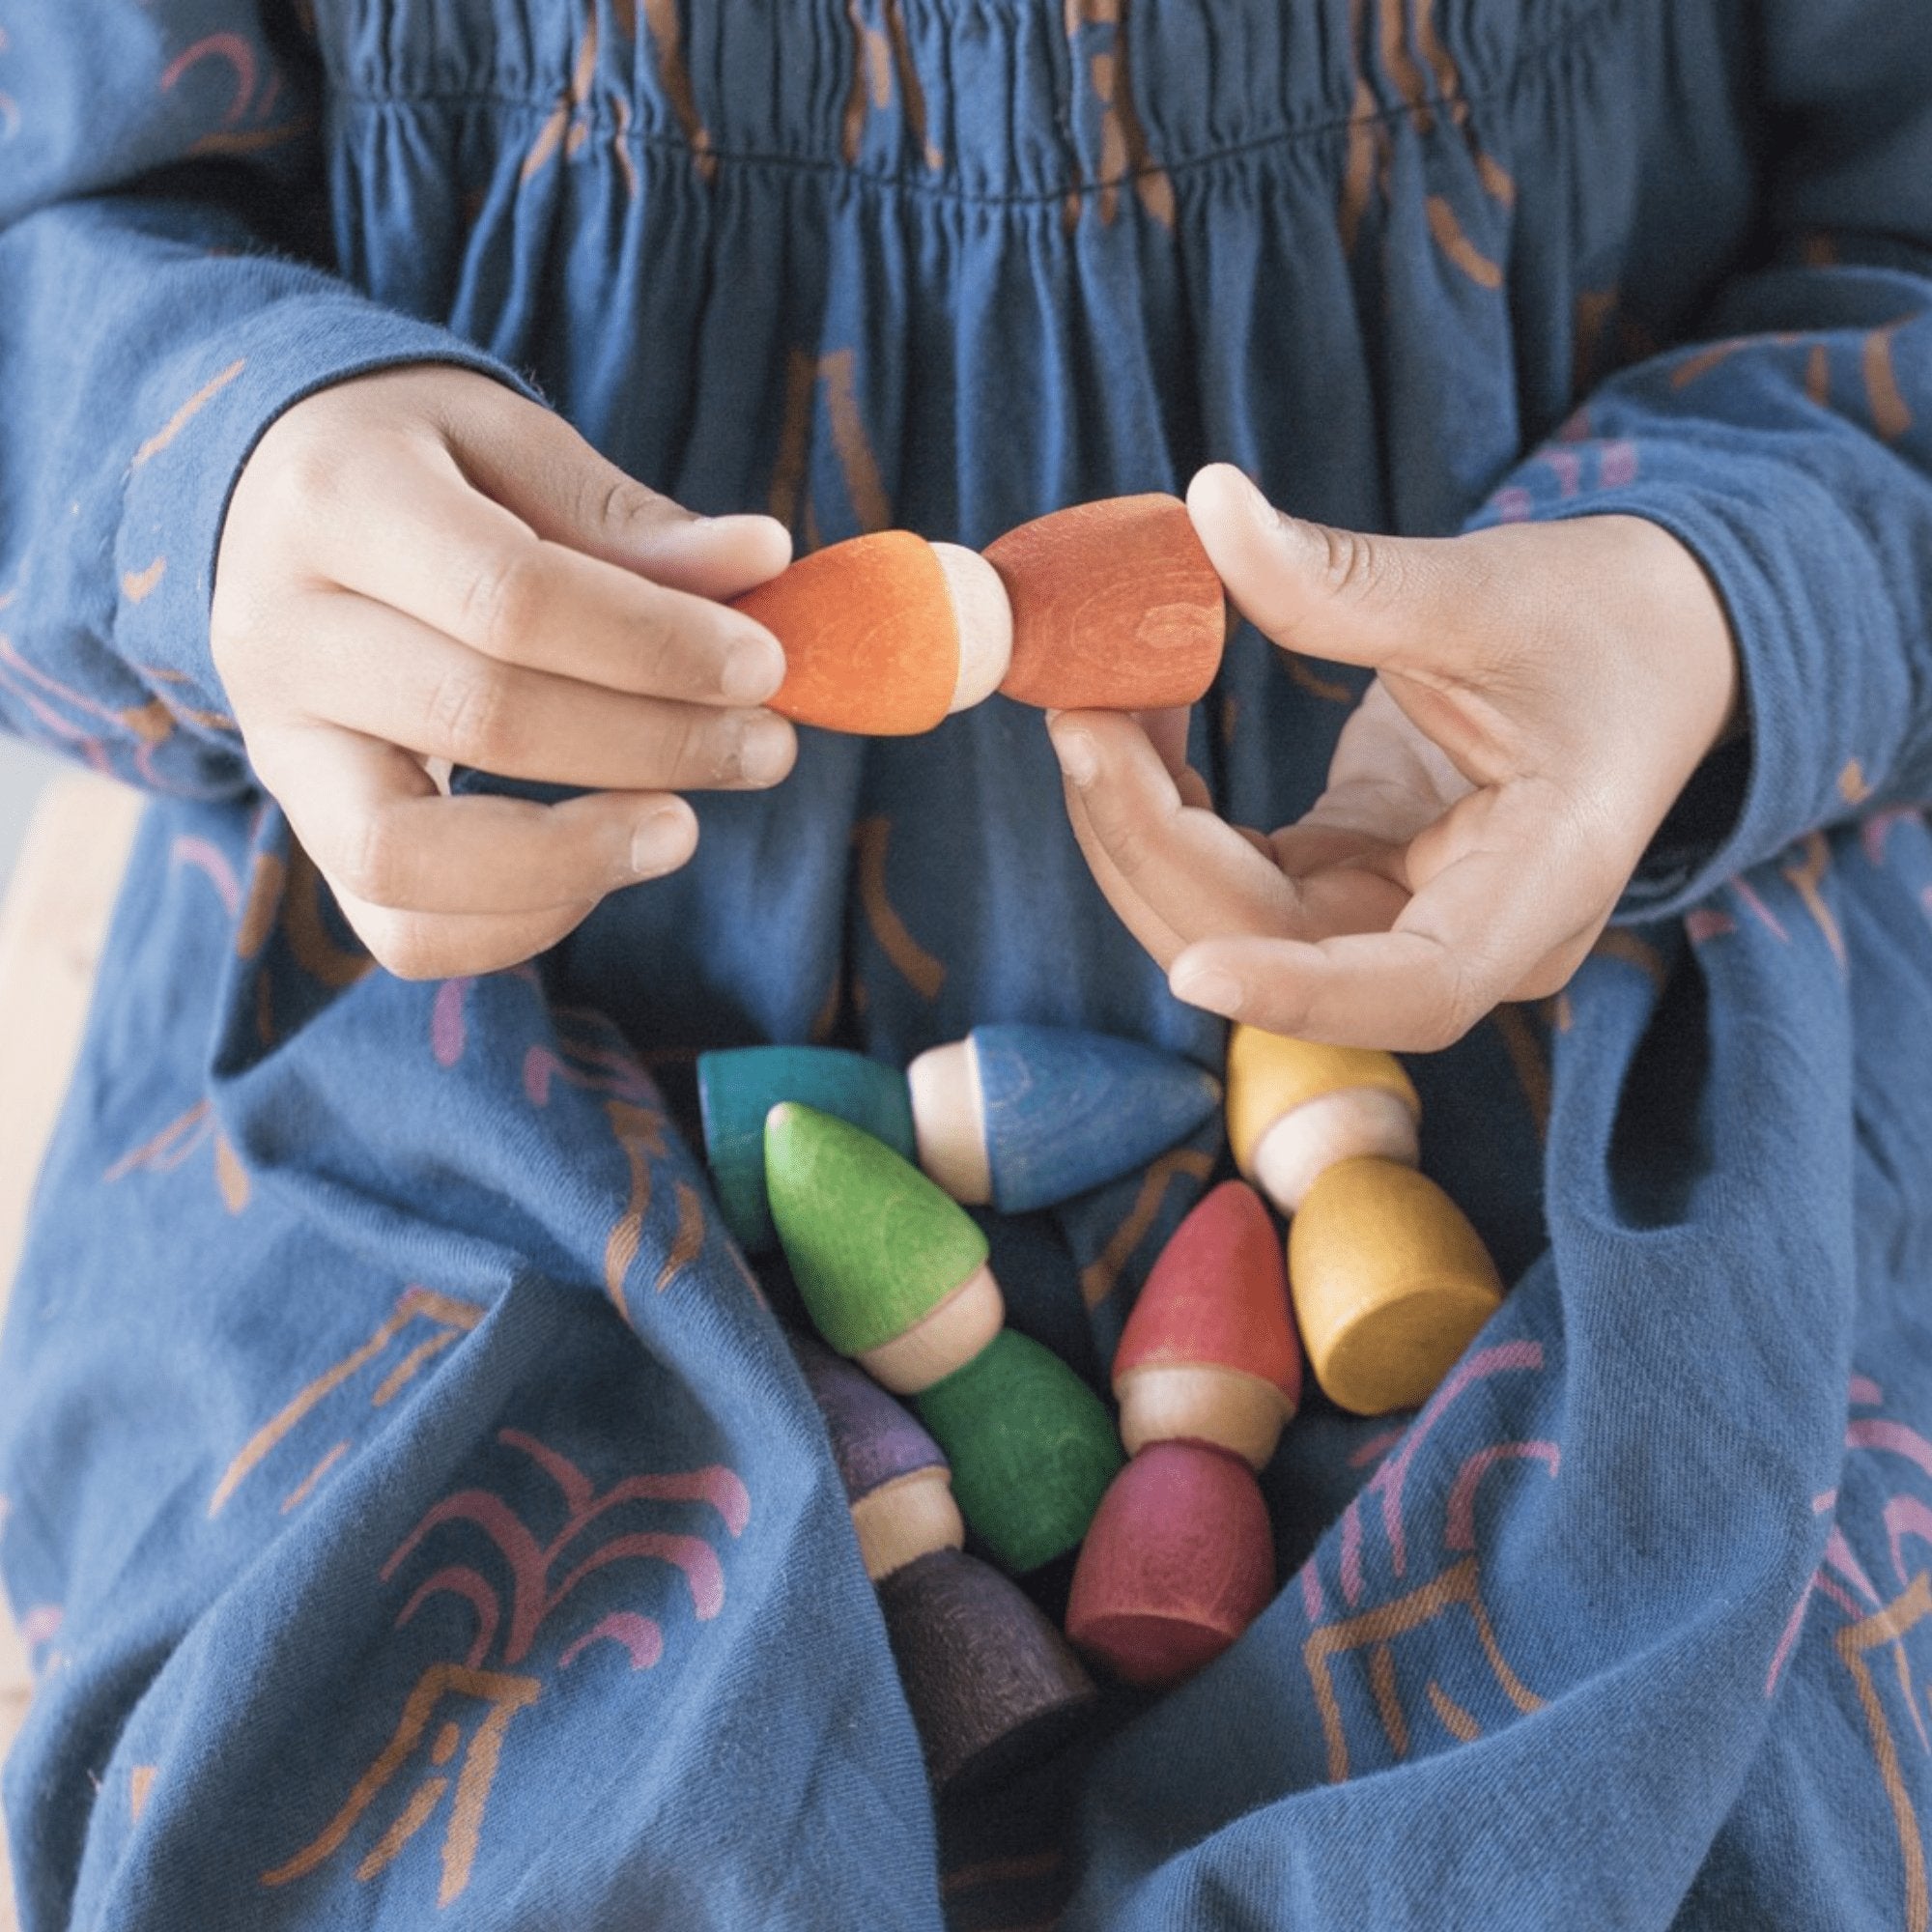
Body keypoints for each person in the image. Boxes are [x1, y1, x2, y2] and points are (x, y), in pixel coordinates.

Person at [0, 2, 1928, 1925]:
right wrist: (232, 472)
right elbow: (55, 233)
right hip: (474, 1033)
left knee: (1649, 1823)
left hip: (1560, 940)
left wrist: (1720, 585)